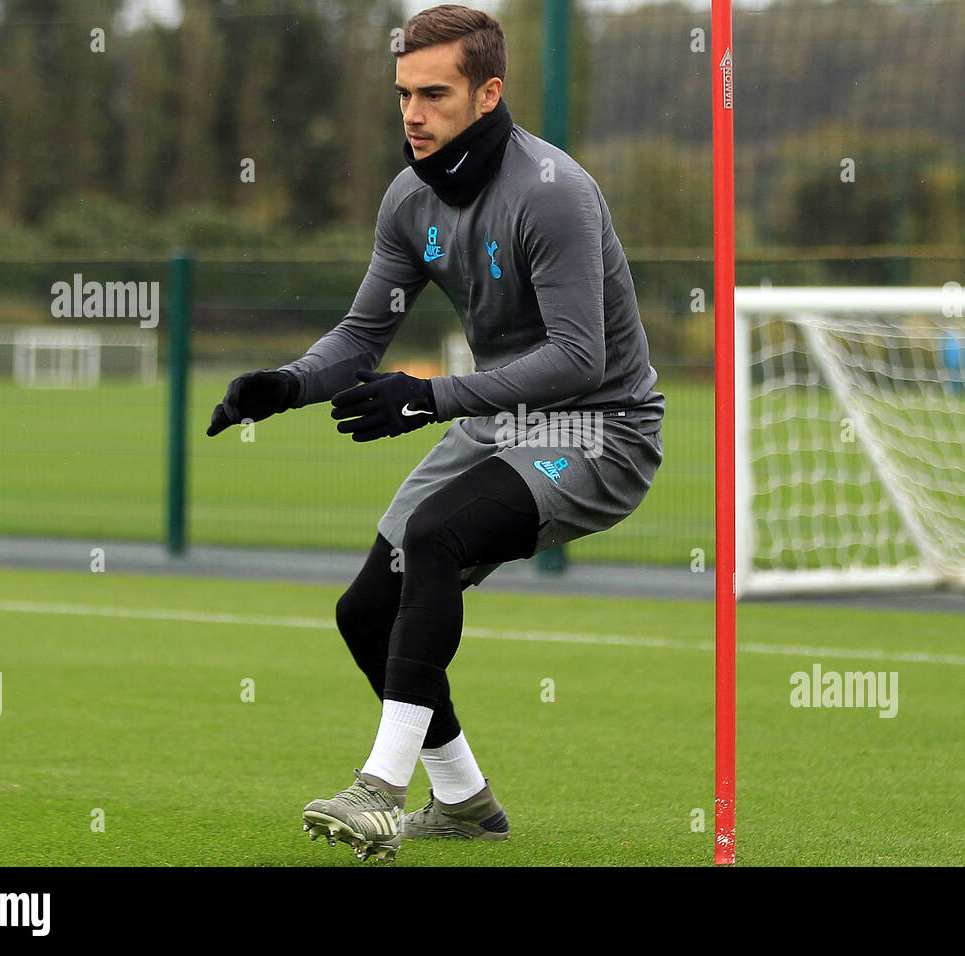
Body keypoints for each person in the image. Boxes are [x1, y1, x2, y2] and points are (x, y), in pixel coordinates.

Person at [205, 3, 664, 863]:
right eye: (403, 94)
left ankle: (378, 790)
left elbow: (575, 358)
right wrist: (287, 384)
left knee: (435, 534)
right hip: (497, 421)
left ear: (487, 94)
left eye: (435, 94)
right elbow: (361, 336)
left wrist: (428, 398)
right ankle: (463, 802)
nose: (413, 114)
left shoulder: (553, 194)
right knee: (364, 614)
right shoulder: (409, 198)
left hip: (603, 429)